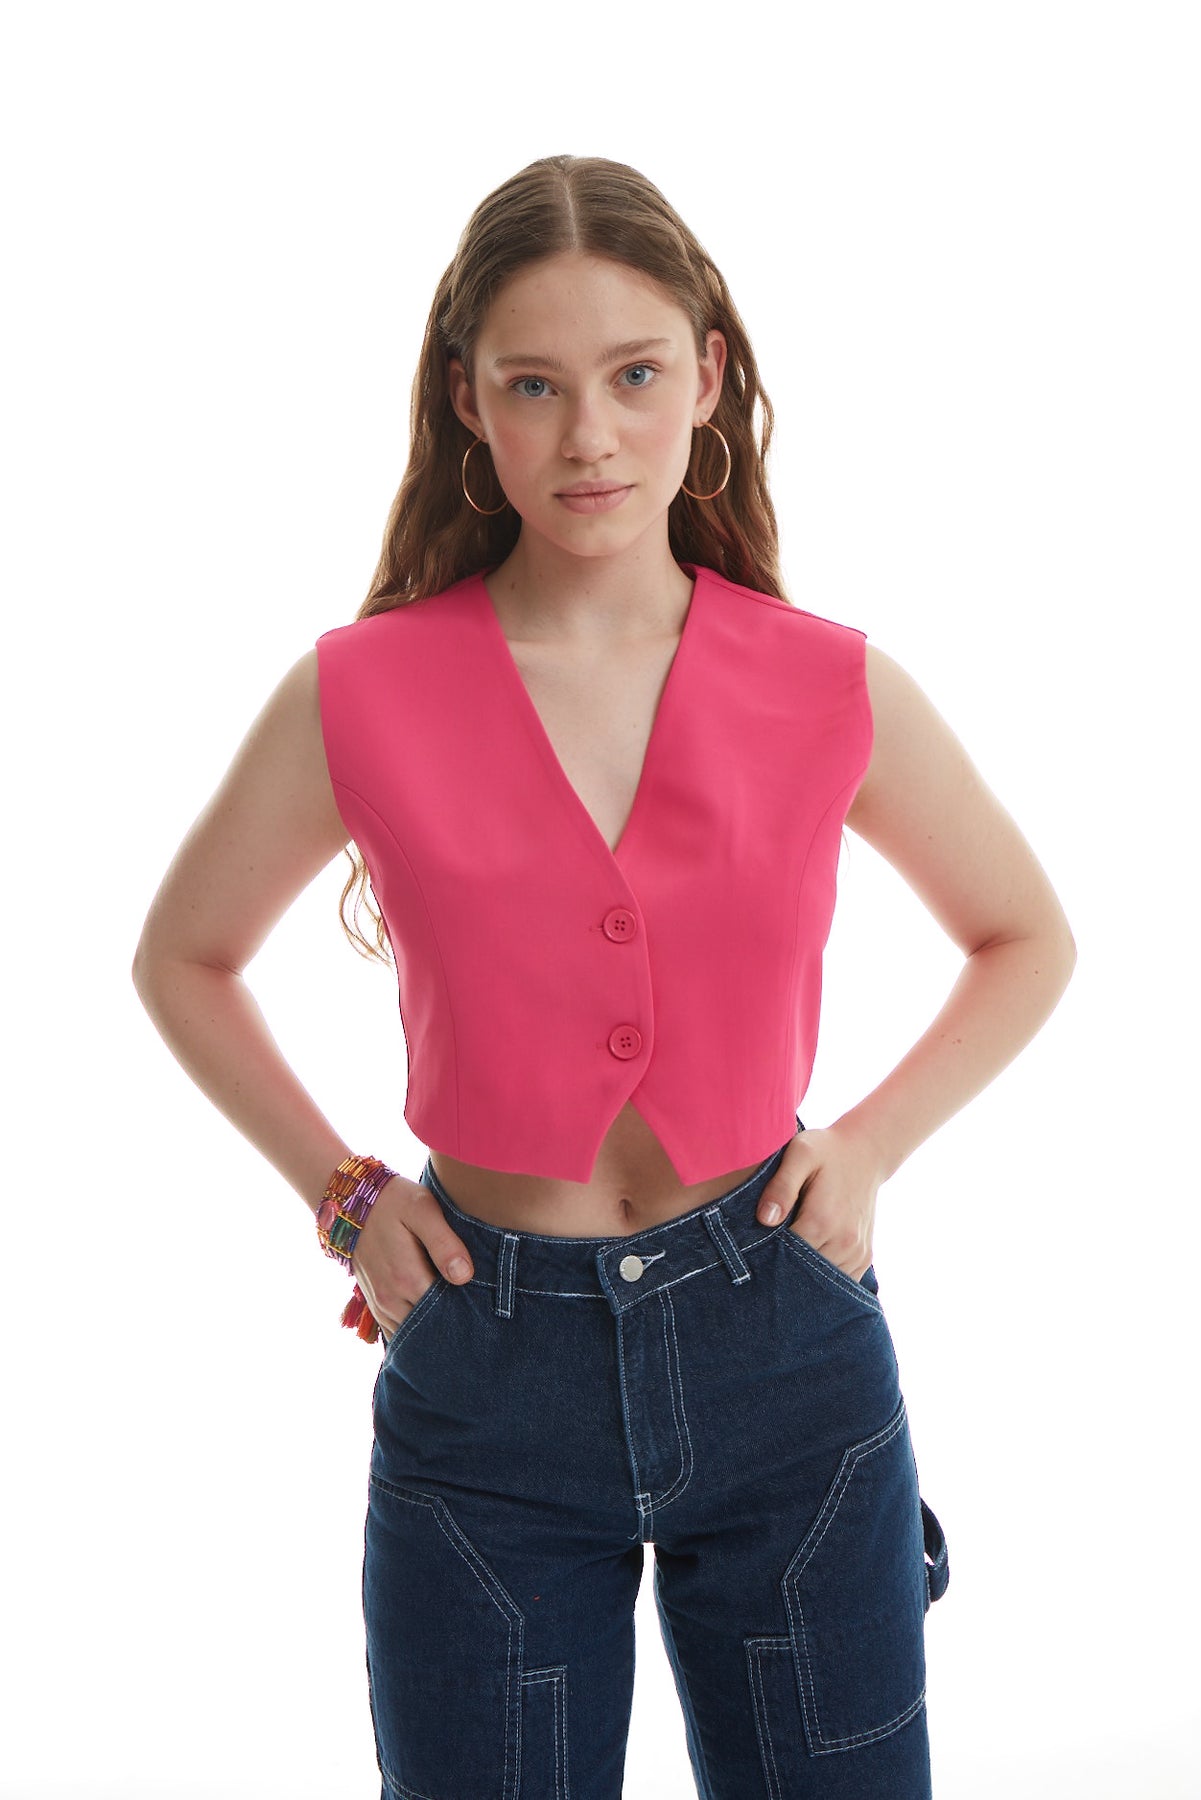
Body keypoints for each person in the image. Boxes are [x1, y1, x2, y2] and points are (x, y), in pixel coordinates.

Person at [132, 153, 1076, 1800]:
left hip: (782, 1339)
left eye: (633, 376)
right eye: (535, 386)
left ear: (706, 379)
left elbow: (1024, 936)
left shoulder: (828, 683)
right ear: (466, 402)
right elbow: (183, 958)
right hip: (485, 1363)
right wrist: (344, 1198)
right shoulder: (359, 692)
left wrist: (866, 1145)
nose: (588, 436)